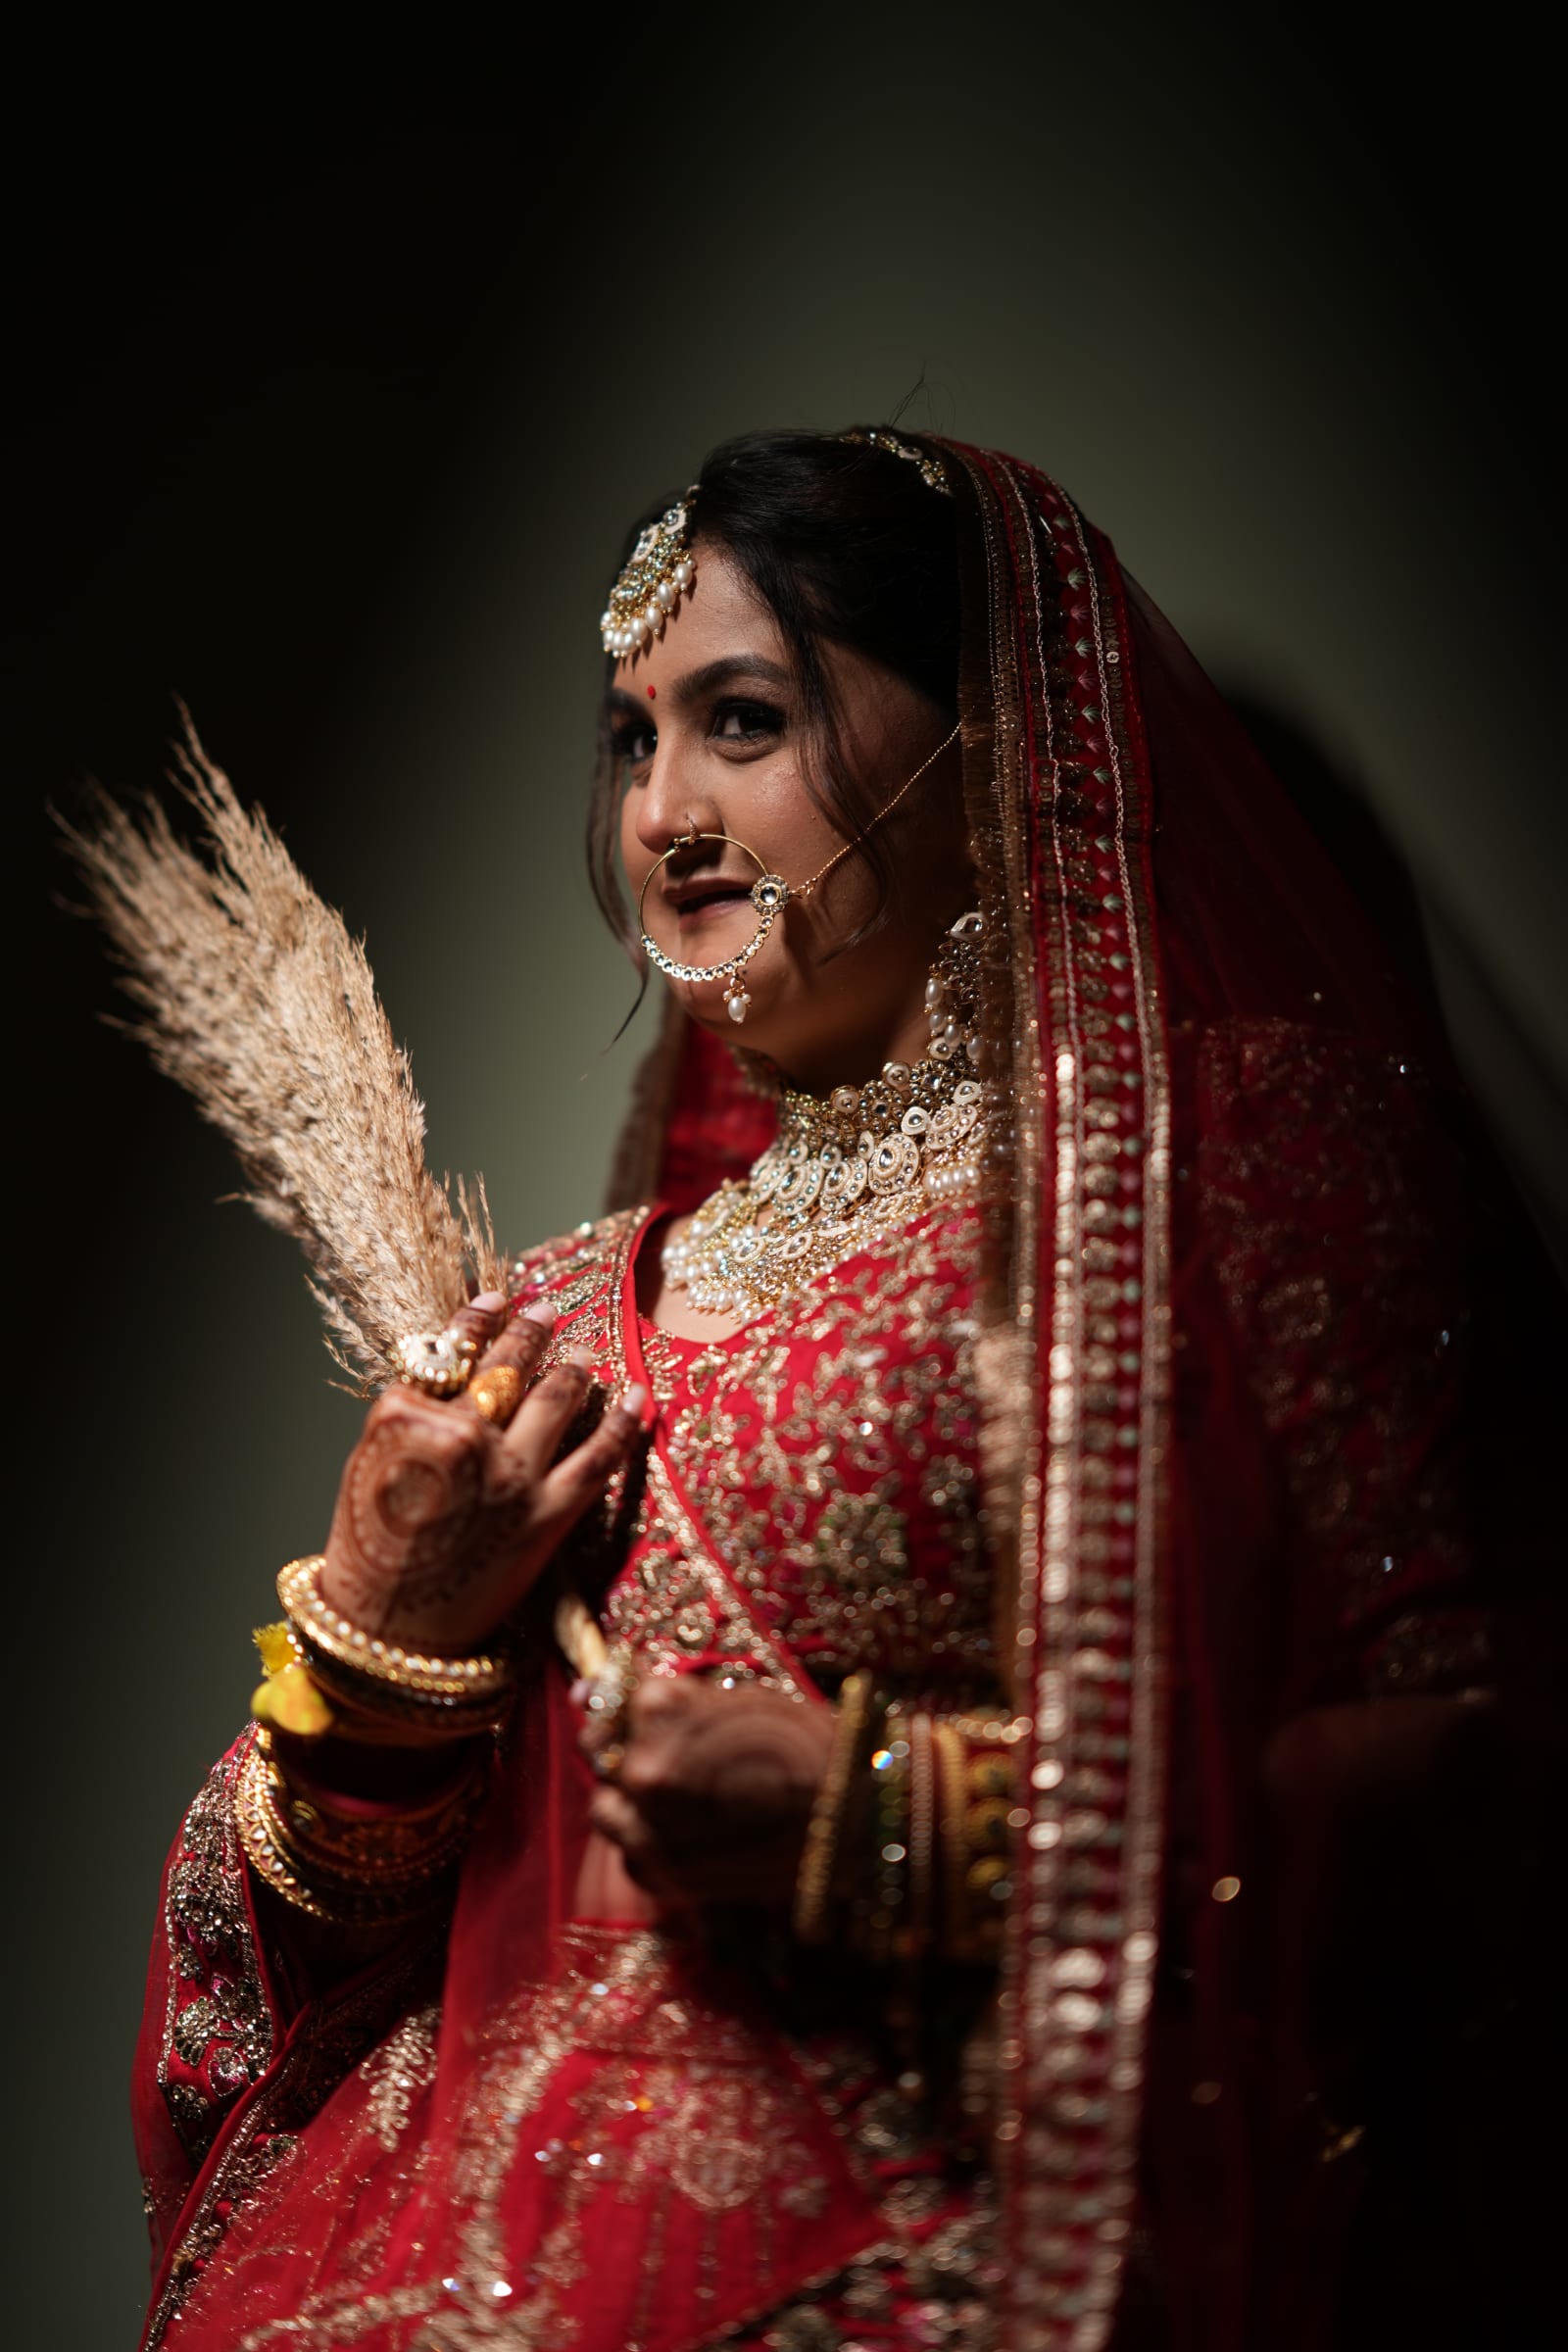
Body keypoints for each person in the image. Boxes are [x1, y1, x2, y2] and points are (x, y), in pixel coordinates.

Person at [129, 429, 1557, 2352]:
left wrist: (900, 1821)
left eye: (740, 719)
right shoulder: (551, 1318)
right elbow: (276, 1987)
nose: (662, 818)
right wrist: (384, 1633)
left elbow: (1477, 1782)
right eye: (634, 741)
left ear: (997, 739)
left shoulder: (1231, 1171)